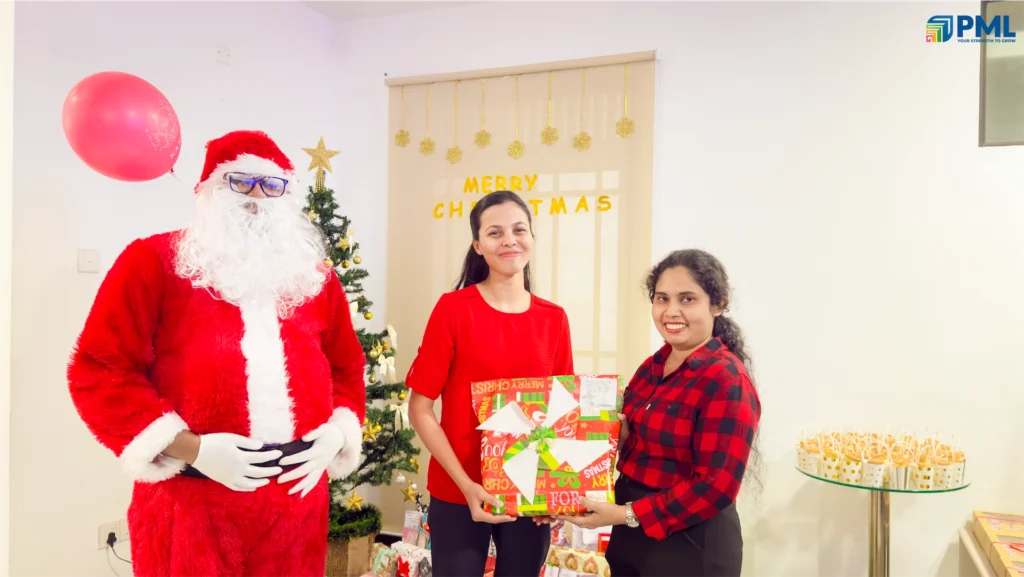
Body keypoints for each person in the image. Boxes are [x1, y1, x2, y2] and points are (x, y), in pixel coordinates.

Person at [66, 130, 367, 577]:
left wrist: (338, 434)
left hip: (296, 504)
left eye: (271, 185)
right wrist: (192, 449)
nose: (256, 197)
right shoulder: (154, 261)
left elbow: (347, 367)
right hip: (191, 503)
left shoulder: (314, 278)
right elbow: (99, 371)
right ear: (209, 190)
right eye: (240, 182)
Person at [556, 249, 762, 577]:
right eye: (662, 298)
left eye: (687, 299)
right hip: (632, 535)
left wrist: (624, 515)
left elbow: (715, 486)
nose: (671, 311)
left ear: (718, 304)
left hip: (691, 544)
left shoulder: (727, 379)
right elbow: (638, 444)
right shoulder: (653, 365)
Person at [406, 190, 574, 577]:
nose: (510, 240)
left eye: (519, 229)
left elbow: (563, 413)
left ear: (531, 238)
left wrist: (559, 491)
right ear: (478, 245)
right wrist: (466, 486)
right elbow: (420, 408)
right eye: (495, 233)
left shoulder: (554, 319)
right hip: (457, 490)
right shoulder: (453, 309)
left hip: (528, 493)